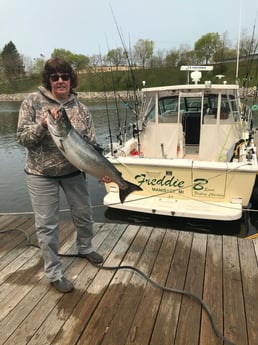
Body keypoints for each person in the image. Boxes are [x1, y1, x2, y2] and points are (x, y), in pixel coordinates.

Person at [17, 57, 110, 293]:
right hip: (40, 173)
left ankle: (85, 247)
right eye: (55, 77)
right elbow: (21, 138)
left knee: (84, 214)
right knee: (47, 225)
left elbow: (91, 145)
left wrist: (101, 170)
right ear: (48, 80)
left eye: (65, 77)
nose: (60, 81)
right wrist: (41, 126)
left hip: (74, 172)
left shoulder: (81, 109)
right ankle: (54, 273)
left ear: (71, 80)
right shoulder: (31, 102)